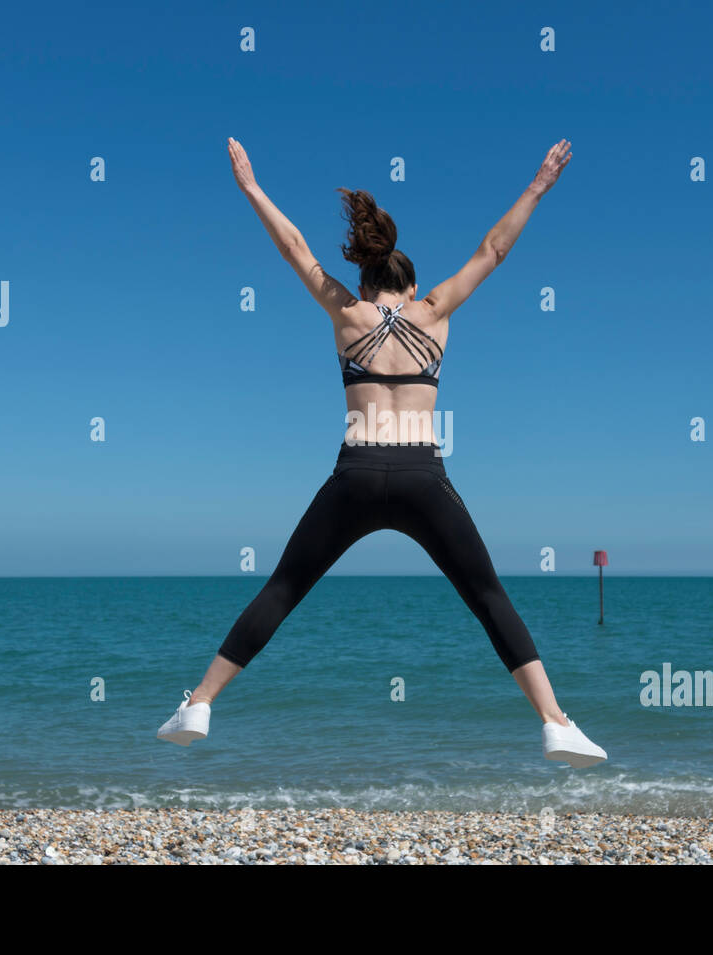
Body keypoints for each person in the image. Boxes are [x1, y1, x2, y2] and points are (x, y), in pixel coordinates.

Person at [157, 137, 606, 768]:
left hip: (356, 474)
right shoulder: (434, 311)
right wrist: (537, 186)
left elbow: (296, 252)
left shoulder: (347, 313)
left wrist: (252, 188)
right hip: (422, 474)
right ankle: (555, 723)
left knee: (285, 587)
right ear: (412, 283)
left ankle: (199, 703)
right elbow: (494, 250)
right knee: (487, 596)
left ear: (365, 281)